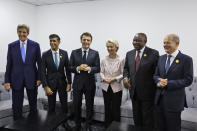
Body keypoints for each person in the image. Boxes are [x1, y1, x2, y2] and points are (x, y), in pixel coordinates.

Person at [154, 34, 193, 131]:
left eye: (168, 42)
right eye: (164, 42)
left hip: (174, 102)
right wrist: (158, 82)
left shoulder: (186, 59)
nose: (165, 45)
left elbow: (188, 80)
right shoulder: (161, 58)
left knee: (173, 128)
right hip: (159, 100)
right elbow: (155, 75)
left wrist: (168, 83)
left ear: (177, 43)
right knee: (159, 127)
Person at [4, 24, 42, 120]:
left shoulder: (35, 45)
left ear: (28, 33)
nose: (22, 34)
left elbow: (40, 64)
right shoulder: (11, 46)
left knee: (33, 105)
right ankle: (16, 126)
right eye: (20, 32)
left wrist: (39, 78)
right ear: (17, 32)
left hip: (32, 79)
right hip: (16, 79)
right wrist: (7, 81)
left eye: (24, 32)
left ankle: (33, 125)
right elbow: (9, 65)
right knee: (16, 106)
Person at [123, 33, 159, 131]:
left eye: (138, 40)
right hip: (134, 92)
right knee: (137, 119)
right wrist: (125, 78)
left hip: (148, 94)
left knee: (148, 120)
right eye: (134, 40)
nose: (135, 42)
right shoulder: (129, 53)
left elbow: (157, 72)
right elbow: (126, 68)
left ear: (145, 41)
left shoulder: (154, 53)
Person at [69, 32, 100, 131]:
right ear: (81, 40)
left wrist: (89, 69)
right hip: (77, 84)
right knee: (76, 105)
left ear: (91, 41)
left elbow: (98, 68)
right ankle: (77, 125)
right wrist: (78, 68)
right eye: (84, 39)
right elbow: (70, 67)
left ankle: (88, 125)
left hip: (90, 84)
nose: (86, 42)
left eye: (88, 40)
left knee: (89, 106)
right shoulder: (74, 52)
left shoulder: (95, 53)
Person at [41, 34, 72, 130]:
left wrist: (69, 83)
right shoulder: (45, 54)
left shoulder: (65, 53)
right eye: (50, 41)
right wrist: (45, 86)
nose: (52, 43)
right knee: (51, 106)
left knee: (64, 105)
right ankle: (52, 124)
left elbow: (68, 69)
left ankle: (65, 123)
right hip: (50, 85)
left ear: (59, 42)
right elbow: (42, 72)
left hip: (62, 83)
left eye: (54, 41)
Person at [100, 39, 124, 128]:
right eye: (108, 47)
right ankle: (107, 126)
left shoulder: (121, 59)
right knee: (107, 108)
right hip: (105, 87)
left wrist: (114, 78)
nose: (109, 48)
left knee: (115, 109)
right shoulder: (103, 59)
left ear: (116, 48)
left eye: (111, 46)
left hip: (116, 87)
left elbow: (123, 73)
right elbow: (101, 72)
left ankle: (116, 127)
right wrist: (104, 78)